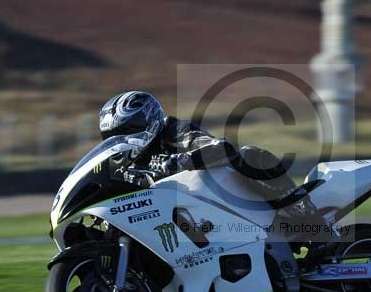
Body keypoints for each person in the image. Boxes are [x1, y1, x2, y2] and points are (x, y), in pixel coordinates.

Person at [98, 90, 303, 214]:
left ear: (150, 120)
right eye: (113, 136)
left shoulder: (173, 130)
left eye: (128, 131)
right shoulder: (123, 162)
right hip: (173, 218)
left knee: (250, 156)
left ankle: (307, 221)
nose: (123, 140)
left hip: (218, 201)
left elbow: (223, 148)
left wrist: (178, 161)